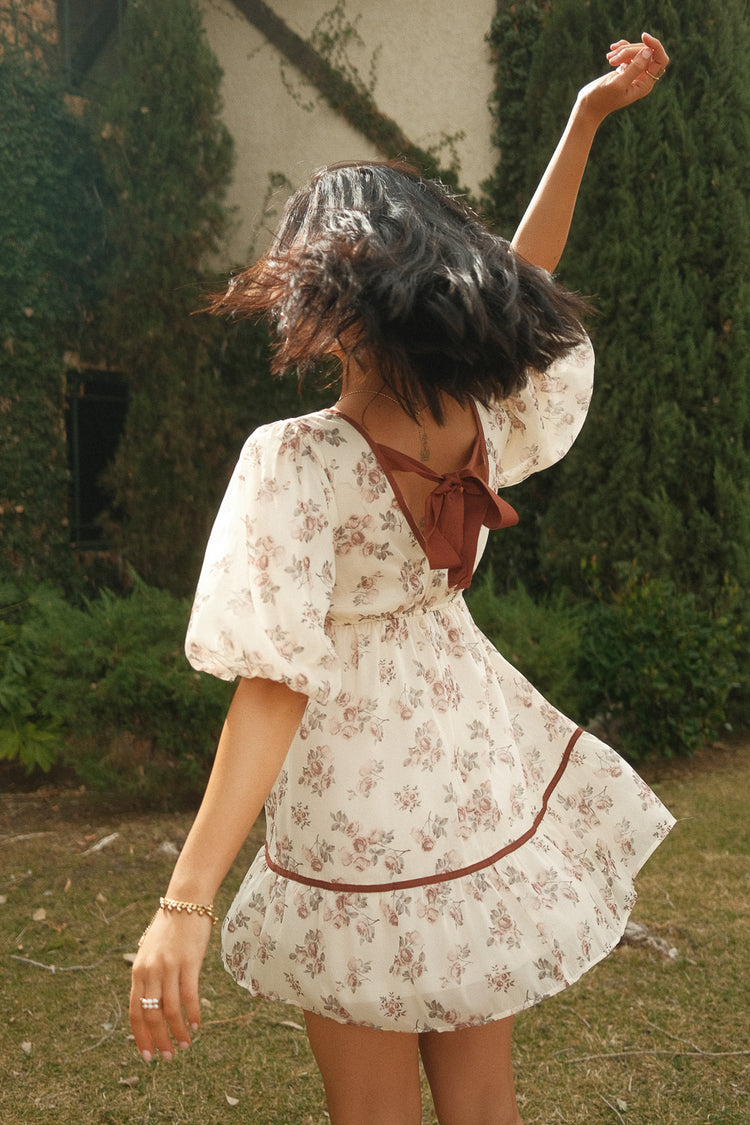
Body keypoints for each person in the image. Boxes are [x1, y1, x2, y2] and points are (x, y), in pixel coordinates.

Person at [130, 31, 673, 1125]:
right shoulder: (482, 412)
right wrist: (584, 120)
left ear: (326, 293)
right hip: (468, 768)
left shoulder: (297, 461)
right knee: (484, 1105)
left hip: (356, 806)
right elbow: (532, 278)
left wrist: (184, 902)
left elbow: (275, 682)